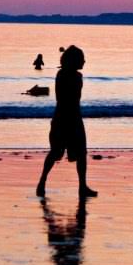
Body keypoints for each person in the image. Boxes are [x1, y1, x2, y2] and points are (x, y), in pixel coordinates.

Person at [36, 46, 97, 198]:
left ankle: (81, 186)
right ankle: (42, 182)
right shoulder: (66, 75)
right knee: (57, 152)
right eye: (81, 58)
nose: (84, 61)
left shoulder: (70, 75)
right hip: (66, 117)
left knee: (78, 153)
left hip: (69, 117)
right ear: (74, 60)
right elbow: (67, 98)